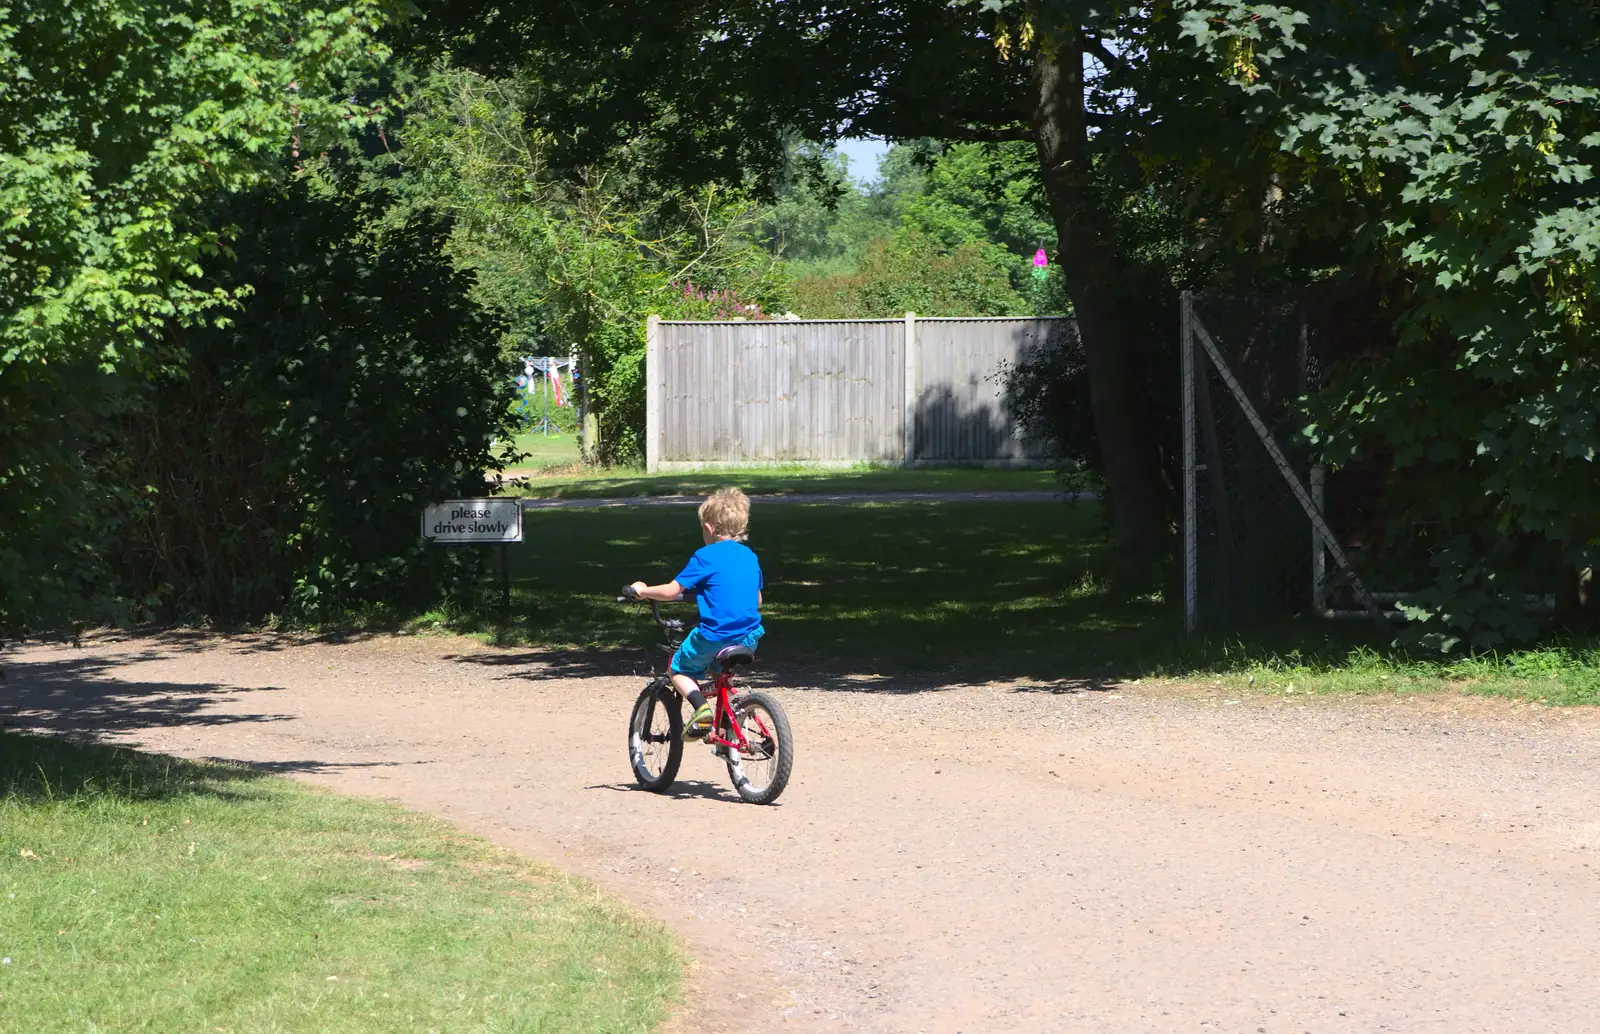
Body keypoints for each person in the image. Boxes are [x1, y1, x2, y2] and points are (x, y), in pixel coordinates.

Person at [630, 486, 764, 740]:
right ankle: (725, 725)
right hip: (749, 636)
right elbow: (757, 599)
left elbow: (671, 591)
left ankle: (701, 709)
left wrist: (644, 590)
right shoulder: (750, 556)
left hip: (715, 636)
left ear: (709, 528)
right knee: (719, 669)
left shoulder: (705, 556)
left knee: (678, 669)